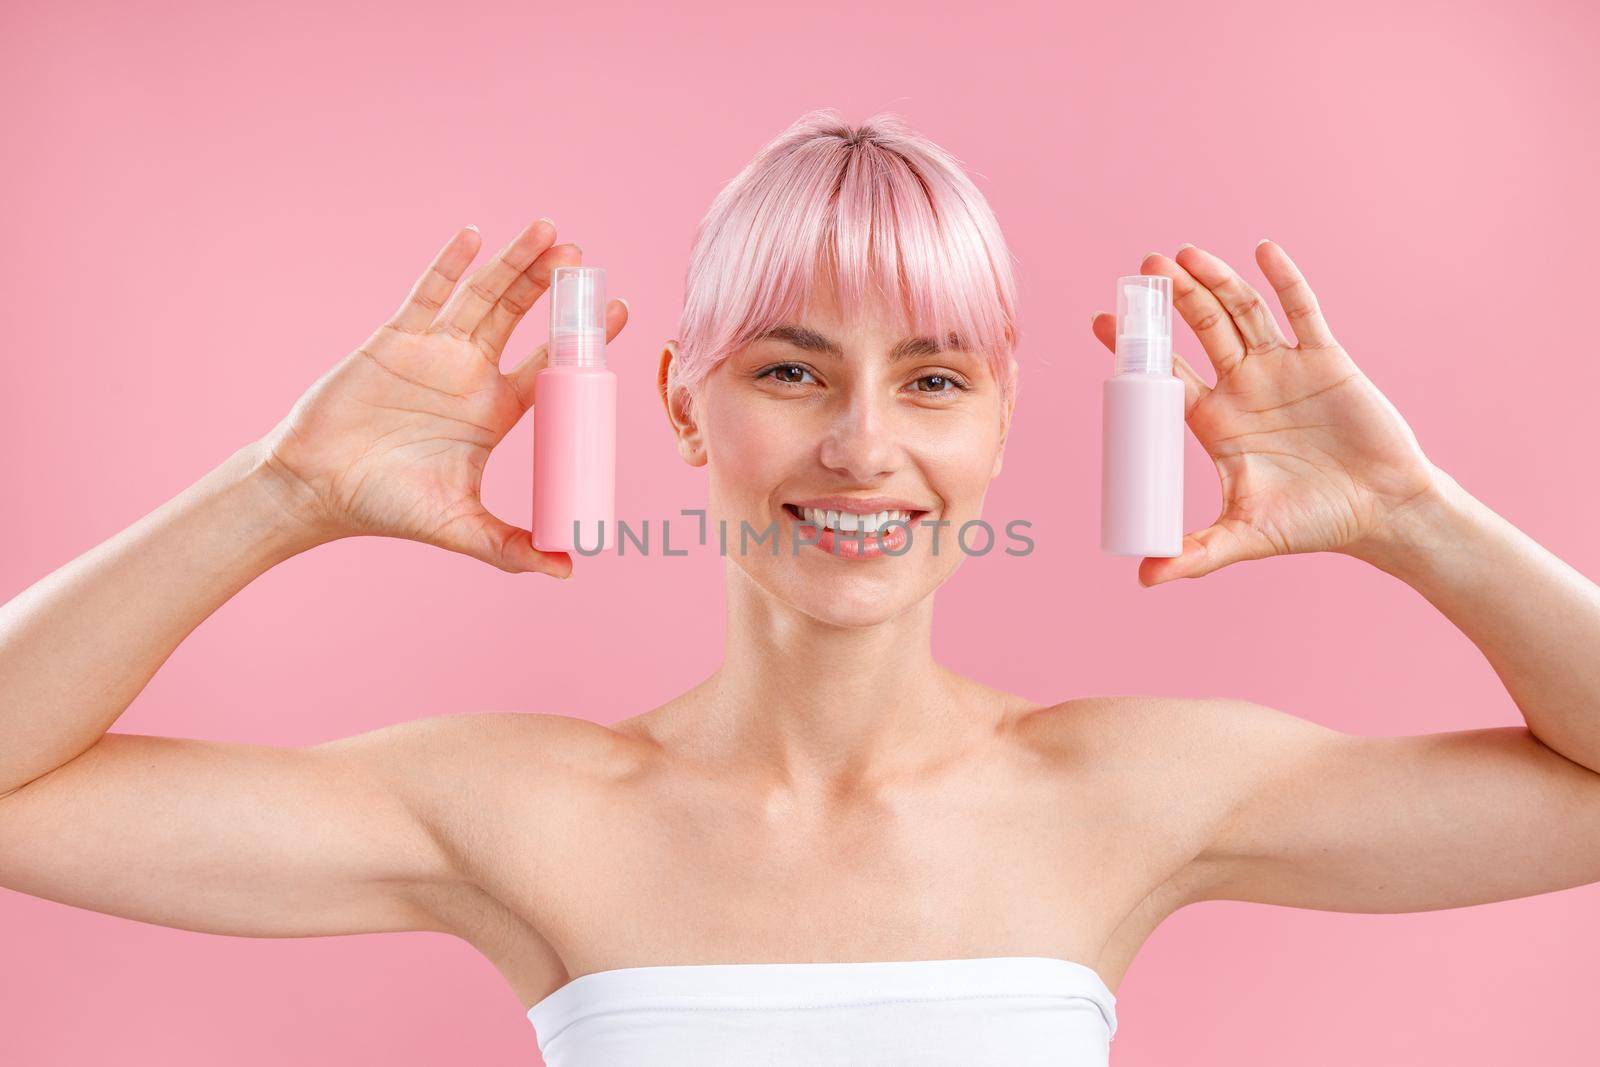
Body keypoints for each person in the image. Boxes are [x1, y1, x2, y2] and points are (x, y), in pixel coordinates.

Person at [3, 109, 1599, 1067]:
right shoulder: (518, 809)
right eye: (790, 368)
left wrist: (1410, 513)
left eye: (930, 381)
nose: (857, 446)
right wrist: (280, 494)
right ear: (685, 402)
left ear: (1001, 423)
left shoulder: (1134, 788)